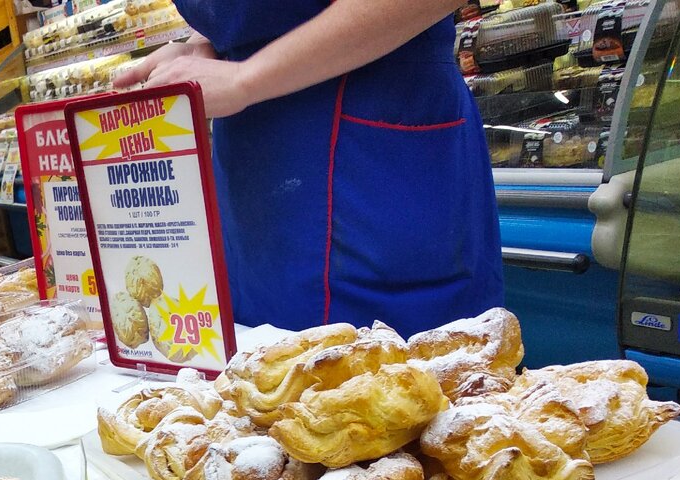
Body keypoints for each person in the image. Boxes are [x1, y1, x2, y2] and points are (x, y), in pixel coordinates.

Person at [114, 0, 503, 338]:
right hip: (257, 173)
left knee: (401, 386)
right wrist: (203, 47)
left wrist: (247, 77)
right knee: (269, 381)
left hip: (377, 154)